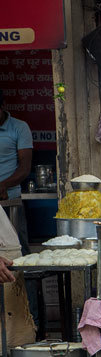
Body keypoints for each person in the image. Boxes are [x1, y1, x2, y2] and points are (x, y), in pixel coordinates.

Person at [0, 90, 32, 252]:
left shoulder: (19, 127)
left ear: (3, 106)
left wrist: (3, 185)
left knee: (17, 248)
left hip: (10, 200)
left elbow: (25, 168)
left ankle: (24, 278)